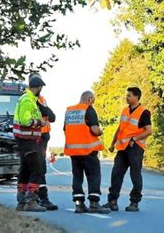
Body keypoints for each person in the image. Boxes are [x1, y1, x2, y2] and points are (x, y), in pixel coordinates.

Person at [103, 87, 152, 212]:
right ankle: (112, 201)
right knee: (116, 173)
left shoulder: (144, 112)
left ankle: (134, 202)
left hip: (135, 147)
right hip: (122, 148)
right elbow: (120, 128)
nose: (127, 97)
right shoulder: (125, 110)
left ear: (136, 97)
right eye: (127, 95)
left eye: (129, 95)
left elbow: (148, 131)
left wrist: (134, 139)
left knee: (135, 175)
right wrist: (113, 143)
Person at [64, 91, 110, 214]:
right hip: (88, 150)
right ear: (89, 99)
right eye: (93, 101)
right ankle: (94, 203)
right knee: (93, 176)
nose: (93, 103)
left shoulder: (69, 111)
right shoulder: (88, 110)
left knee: (77, 177)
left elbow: (65, 129)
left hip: (74, 152)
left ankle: (79, 204)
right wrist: (101, 131)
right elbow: (95, 130)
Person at [13, 77, 48, 212]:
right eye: (41, 88)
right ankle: (31, 201)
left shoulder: (26, 99)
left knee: (25, 171)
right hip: (28, 141)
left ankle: (21, 201)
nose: (41, 91)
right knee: (37, 170)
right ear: (37, 87)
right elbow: (25, 121)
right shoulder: (28, 100)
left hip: (24, 141)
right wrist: (40, 123)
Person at [28, 73, 58, 210]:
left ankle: (34, 198)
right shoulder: (31, 99)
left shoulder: (41, 98)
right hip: (36, 136)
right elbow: (49, 115)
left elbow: (50, 116)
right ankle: (40, 198)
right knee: (38, 169)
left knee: (38, 169)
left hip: (42, 135)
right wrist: (48, 113)